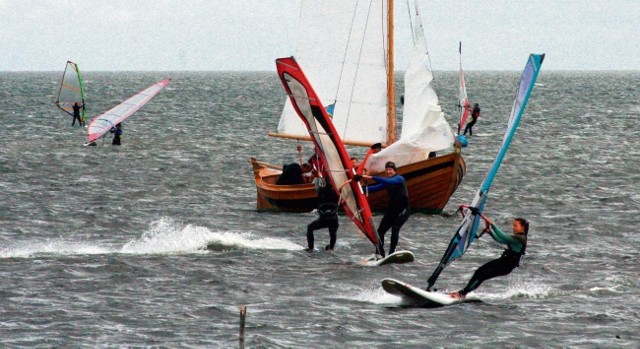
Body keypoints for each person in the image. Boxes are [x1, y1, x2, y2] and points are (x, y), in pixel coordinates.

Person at [449, 217, 529, 299]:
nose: (513, 227)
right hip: (503, 262)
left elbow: (504, 237)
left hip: (506, 266)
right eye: (513, 225)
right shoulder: (517, 237)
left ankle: (462, 294)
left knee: (481, 275)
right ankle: (462, 293)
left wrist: (493, 225)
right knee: (479, 272)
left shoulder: (521, 238)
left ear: (522, 227)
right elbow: (501, 240)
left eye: (515, 225)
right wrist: (490, 232)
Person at [357, 161, 410, 258]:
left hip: (403, 210)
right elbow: (373, 188)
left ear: (394, 170)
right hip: (392, 210)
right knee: (380, 232)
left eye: (390, 169)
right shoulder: (387, 181)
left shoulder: (399, 178)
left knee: (395, 228)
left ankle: (391, 253)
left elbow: (389, 181)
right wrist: (357, 189)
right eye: (387, 170)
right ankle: (380, 253)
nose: (389, 171)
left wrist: (367, 177)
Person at [305, 179, 340, 252]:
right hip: (333, 217)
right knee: (333, 231)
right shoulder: (336, 190)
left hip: (323, 218)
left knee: (310, 228)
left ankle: (310, 248)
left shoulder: (321, 190)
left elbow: (316, 202)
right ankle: (331, 248)